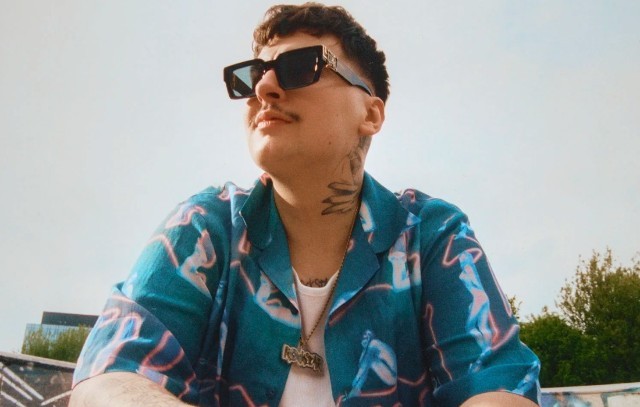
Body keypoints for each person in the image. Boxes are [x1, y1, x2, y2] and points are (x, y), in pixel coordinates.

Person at [70, 3, 541, 406]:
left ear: (370, 112)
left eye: (299, 67)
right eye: (253, 76)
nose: (263, 90)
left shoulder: (431, 236)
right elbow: (109, 380)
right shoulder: (205, 227)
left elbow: (500, 390)